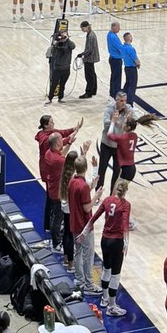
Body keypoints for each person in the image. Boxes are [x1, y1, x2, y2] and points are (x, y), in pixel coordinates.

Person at [86, 177, 131, 316]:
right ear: (125, 191)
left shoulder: (107, 200)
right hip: (116, 242)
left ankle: (104, 299)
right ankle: (112, 306)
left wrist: (85, 230)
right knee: (115, 275)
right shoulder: (126, 205)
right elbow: (124, 224)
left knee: (106, 269)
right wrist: (126, 242)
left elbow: (94, 217)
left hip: (105, 240)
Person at [68, 150, 100, 295]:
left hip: (74, 223)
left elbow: (85, 191)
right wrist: (97, 197)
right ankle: (88, 285)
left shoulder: (72, 182)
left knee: (78, 252)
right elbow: (87, 207)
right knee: (88, 255)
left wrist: (95, 171)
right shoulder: (83, 186)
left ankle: (79, 279)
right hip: (84, 226)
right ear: (85, 168)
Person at [97, 92, 132, 190]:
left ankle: (112, 195)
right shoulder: (110, 108)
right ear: (116, 100)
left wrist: (129, 119)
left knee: (117, 172)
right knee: (102, 170)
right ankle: (98, 193)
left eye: (125, 100)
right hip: (107, 144)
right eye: (121, 101)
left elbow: (135, 119)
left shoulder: (128, 108)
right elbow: (106, 122)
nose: (124, 103)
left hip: (119, 147)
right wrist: (115, 121)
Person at [47, 27, 75, 103]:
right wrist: (55, 45)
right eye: (61, 36)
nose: (63, 37)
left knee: (62, 85)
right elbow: (53, 53)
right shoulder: (57, 43)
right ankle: (50, 98)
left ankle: (60, 98)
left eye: (64, 35)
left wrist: (67, 39)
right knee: (54, 84)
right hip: (58, 68)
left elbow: (73, 46)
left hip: (66, 68)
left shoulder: (69, 44)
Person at [77, 20, 99, 99]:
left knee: (89, 76)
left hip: (90, 58)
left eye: (82, 28)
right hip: (92, 57)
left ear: (86, 27)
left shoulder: (90, 36)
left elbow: (89, 49)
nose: (82, 30)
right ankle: (93, 90)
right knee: (92, 74)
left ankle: (88, 92)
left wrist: (82, 54)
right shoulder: (91, 33)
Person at [121, 32, 139, 107]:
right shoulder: (130, 48)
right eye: (131, 36)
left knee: (127, 84)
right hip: (132, 68)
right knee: (132, 86)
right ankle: (129, 103)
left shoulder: (122, 47)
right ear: (128, 38)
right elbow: (135, 59)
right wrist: (138, 64)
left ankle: (122, 99)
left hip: (126, 68)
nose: (132, 38)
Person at [107, 21, 123, 96]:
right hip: (116, 59)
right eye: (118, 27)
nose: (119, 29)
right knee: (117, 78)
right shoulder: (113, 37)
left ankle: (112, 93)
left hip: (112, 58)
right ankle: (116, 95)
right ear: (114, 27)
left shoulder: (109, 34)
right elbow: (120, 48)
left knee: (113, 77)